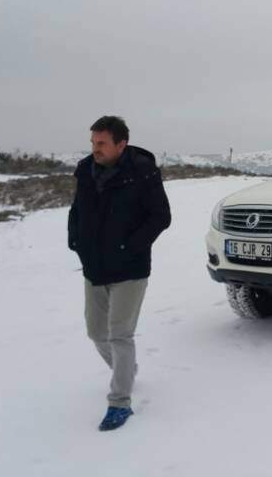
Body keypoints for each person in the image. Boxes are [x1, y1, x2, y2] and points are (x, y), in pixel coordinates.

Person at [68, 116, 171, 431]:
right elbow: (77, 209)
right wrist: (75, 239)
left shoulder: (142, 172)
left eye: (101, 143)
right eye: (93, 142)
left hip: (129, 268)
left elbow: (161, 216)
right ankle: (125, 370)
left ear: (121, 144)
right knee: (96, 332)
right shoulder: (86, 170)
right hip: (94, 266)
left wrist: (131, 247)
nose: (95, 148)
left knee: (120, 335)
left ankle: (119, 403)